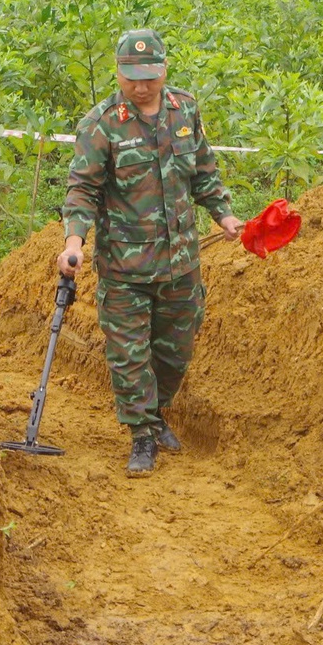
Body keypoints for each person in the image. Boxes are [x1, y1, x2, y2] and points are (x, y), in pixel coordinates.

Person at [58, 28, 242, 476]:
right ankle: (141, 433)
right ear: (118, 73)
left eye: (149, 76)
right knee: (129, 352)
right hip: (125, 265)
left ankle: (156, 414)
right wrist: (73, 242)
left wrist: (225, 216)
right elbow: (83, 190)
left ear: (163, 70)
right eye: (131, 76)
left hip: (181, 262)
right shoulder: (102, 124)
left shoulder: (185, 110)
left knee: (176, 349)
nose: (140, 86)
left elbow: (203, 171)